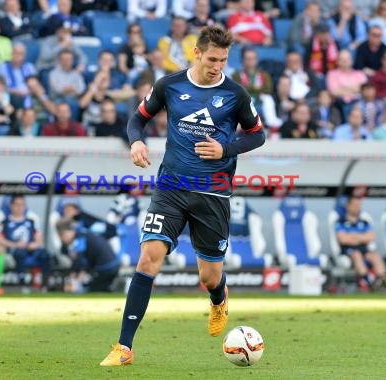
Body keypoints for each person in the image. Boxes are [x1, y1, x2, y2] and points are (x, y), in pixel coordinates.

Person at [100, 25, 266, 366]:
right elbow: (137, 119)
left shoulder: (235, 94)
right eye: (212, 58)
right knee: (148, 259)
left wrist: (226, 148)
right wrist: (136, 142)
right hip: (170, 189)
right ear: (197, 53)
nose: (217, 65)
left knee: (208, 276)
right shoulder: (170, 85)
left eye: (223, 59)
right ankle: (124, 347)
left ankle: (218, 299)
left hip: (213, 194)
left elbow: (257, 135)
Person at [0, 195, 50, 293]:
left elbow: (39, 239)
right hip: (15, 250)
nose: (19, 207)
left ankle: (44, 285)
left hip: (31, 249)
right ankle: (23, 284)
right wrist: (14, 244)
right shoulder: (5, 222)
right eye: (17, 204)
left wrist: (34, 244)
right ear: (11, 206)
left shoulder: (31, 221)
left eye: (22, 205)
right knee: (19, 254)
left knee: (45, 254)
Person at [335, 196, 386, 291]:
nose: (357, 207)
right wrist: (361, 237)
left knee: (375, 255)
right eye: (355, 205)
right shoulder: (341, 222)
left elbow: (370, 237)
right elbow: (343, 239)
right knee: (356, 255)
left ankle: (382, 280)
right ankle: (368, 281)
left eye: (359, 205)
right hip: (348, 251)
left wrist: (353, 236)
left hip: (364, 249)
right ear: (348, 206)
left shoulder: (364, 222)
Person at [59, 223, 121, 293]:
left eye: (62, 236)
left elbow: (81, 261)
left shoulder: (80, 238)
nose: (63, 240)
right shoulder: (86, 234)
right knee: (101, 288)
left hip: (105, 267)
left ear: (66, 233)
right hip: (114, 264)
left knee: (92, 289)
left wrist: (74, 276)